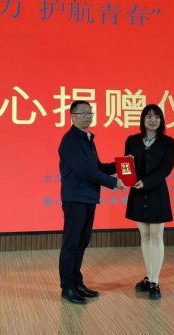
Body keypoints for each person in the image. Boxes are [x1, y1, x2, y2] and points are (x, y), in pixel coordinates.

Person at [58, 100, 125, 304]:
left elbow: (97, 167)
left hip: (88, 197)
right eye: (83, 113)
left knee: (82, 242)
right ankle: (67, 287)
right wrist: (114, 183)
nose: (88, 116)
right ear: (72, 116)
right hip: (75, 198)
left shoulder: (88, 139)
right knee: (71, 243)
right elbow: (84, 170)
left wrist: (122, 164)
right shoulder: (69, 140)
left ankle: (77, 283)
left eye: (90, 112)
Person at [124, 104, 174, 300]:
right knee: (144, 236)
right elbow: (126, 164)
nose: (153, 120)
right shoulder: (131, 140)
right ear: (143, 119)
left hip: (156, 192)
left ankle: (155, 280)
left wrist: (146, 182)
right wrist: (127, 175)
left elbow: (166, 168)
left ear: (161, 120)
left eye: (156, 117)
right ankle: (148, 275)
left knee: (156, 235)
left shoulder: (167, 142)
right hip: (137, 192)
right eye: (149, 116)